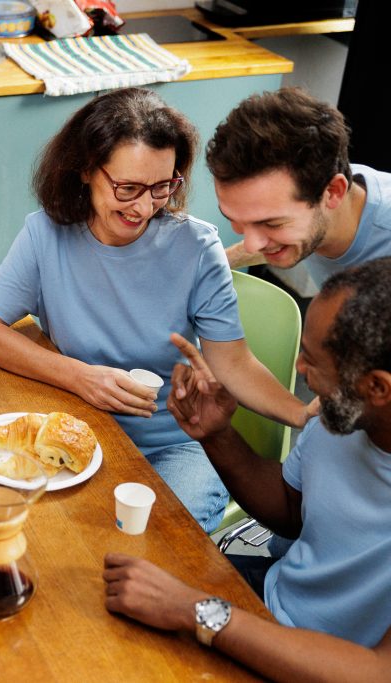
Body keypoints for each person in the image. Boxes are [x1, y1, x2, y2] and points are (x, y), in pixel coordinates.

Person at [0, 88, 309, 533]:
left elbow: (234, 362)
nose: (144, 207)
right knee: (38, 536)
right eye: (127, 188)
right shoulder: (46, 236)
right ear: (87, 169)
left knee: (149, 545)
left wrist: (304, 415)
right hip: (82, 431)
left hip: (179, 446)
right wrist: (78, 375)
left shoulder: (195, 247)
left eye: (162, 187)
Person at [103, 257, 391, 681]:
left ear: (377, 387)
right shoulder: (343, 414)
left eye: (312, 364)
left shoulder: (342, 408)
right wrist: (216, 435)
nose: (299, 373)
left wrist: (194, 610)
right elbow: (291, 510)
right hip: (262, 602)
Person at [210, 87, 391, 283]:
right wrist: (211, 264)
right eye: (235, 220)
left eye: (273, 224)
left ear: (332, 192)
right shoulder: (325, 179)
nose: (252, 244)